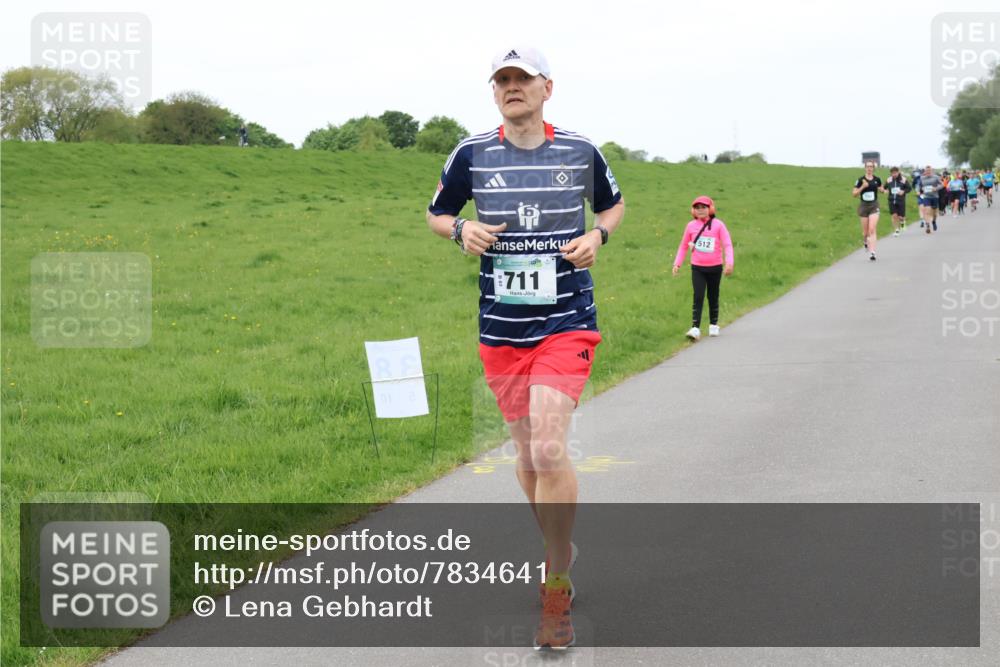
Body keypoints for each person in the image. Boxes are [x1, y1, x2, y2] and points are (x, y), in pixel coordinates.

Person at [426, 46, 625, 651]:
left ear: (547, 88)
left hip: (567, 320)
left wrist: (597, 234)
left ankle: (555, 585)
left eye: (523, 79)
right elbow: (436, 214)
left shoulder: (580, 150)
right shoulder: (471, 152)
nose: (512, 88)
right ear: (494, 93)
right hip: (501, 329)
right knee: (528, 457)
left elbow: (614, 206)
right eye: (502, 80)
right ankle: (557, 548)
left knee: (547, 441)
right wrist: (462, 230)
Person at [672, 196, 734, 339]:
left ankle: (713, 324)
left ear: (710, 209)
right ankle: (695, 328)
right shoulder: (690, 226)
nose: (700, 210)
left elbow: (727, 244)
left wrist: (729, 262)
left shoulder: (719, 225)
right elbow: (683, 246)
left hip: (715, 267)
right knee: (698, 296)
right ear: (693, 210)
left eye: (704, 207)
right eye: (697, 208)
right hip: (698, 268)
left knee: (713, 295)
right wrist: (677, 263)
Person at [852, 160, 885, 261]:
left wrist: (882, 190)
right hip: (864, 206)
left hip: (874, 205)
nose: (869, 168)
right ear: (865, 168)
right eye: (868, 167)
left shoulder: (877, 179)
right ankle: (865, 241)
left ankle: (872, 252)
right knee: (865, 232)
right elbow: (854, 194)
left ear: (873, 168)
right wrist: (863, 186)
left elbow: (881, 188)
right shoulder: (860, 180)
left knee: (872, 229)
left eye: (871, 167)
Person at [885, 167, 911, 236]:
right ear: (891, 173)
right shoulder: (889, 180)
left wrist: (903, 191)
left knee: (901, 217)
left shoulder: (903, 179)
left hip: (901, 200)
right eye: (892, 173)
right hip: (891, 200)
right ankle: (896, 230)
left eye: (895, 173)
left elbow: (909, 188)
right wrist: (884, 190)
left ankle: (902, 223)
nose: (894, 174)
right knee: (894, 216)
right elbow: (885, 187)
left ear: (898, 172)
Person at [916, 165, 942, 234]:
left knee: (934, 213)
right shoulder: (922, 178)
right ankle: (927, 225)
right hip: (926, 197)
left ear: (931, 171)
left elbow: (941, 185)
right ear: (925, 171)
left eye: (929, 171)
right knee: (927, 210)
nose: (928, 172)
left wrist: (936, 188)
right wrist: (918, 191)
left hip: (935, 196)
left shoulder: (936, 177)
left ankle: (934, 221)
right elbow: (919, 185)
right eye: (926, 171)